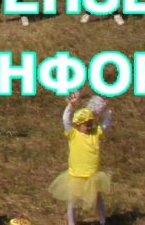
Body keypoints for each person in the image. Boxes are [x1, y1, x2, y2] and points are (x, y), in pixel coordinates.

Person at [49, 95, 114, 225]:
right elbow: (65, 119)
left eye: (91, 123)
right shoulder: (73, 134)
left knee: (98, 198)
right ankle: (71, 223)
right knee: (72, 200)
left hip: (92, 174)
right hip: (76, 174)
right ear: (78, 125)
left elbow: (107, 123)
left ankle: (103, 221)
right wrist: (71, 106)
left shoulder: (96, 133)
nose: (89, 126)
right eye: (86, 124)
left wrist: (105, 110)